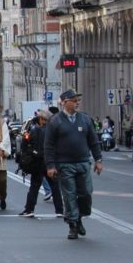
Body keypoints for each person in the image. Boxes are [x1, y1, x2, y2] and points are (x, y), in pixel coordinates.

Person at [44, 90, 103, 240]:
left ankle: (79, 217)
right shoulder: (55, 121)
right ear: (64, 102)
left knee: (86, 193)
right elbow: (49, 145)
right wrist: (50, 165)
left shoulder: (85, 119)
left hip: (83, 163)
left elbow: (93, 141)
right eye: (73, 100)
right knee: (69, 195)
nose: (77, 103)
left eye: (78, 100)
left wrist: (98, 160)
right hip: (64, 165)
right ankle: (72, 225)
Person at [17, 110, 62, 218]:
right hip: (50, 162)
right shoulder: (53, 132)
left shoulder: (34, 130)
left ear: (41, 119)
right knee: (55, 187)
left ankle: (29, 209)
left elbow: (25, 145)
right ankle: (60, 210)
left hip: (37, 162)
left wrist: (31, 152)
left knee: (34, 186)